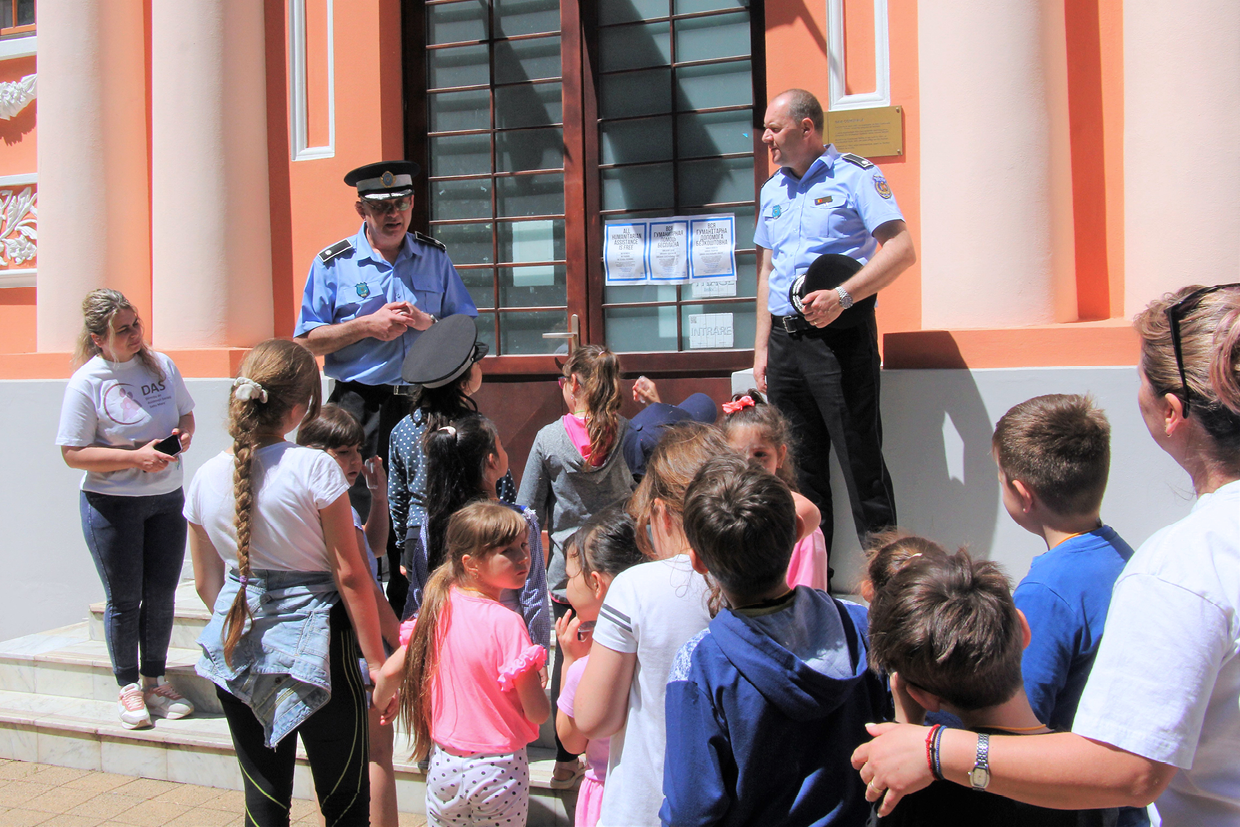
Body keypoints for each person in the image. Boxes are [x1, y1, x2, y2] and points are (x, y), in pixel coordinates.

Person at [853, 284, 1240, 827]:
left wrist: (935, 749)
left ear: (1172, 412)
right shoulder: (1153, 559)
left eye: (1141, 379)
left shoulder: (1183, 565)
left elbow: (1129, 771)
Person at [185, 339, 386, 826]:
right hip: (324, 643)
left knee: (263, 798)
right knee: (343, 797)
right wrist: (378, 660)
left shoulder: (205, 476)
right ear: (299, 408)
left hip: (238, 641)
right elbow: (351, 573)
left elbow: (206, 583)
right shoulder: (314, 467)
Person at [661, 454, 887, 827]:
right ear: (798, 531)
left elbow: (690, 809)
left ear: (698, 561)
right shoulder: (862, 626)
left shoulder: (700, 665)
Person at [295, 159, 478, 614]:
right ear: (362, 210)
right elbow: (307, 340)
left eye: (401, 204)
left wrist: (427, 323)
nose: (392, 214)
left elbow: (466, 329)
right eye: (380, 207)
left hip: (424, 403)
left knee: (424, 505)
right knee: (355, 508)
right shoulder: (333, 263)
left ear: (412, 204)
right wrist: (365, 326)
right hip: (361, 406)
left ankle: (416, 611)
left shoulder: (434, 257)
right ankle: (359, 616)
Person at [753, 88, 916, 554]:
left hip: (839, 341)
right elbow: (767, 270)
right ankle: (812, 583)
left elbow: (902, 249)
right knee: (799, 472)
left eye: (774, 128)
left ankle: (886, 582)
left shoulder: (855, 175)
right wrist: (761, 349)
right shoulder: (772, 189)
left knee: (861, 465)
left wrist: (844, 296)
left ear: (806, 128)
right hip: (785, 343)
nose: (765, 137)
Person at [866, 548, 1116, 826]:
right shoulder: (1093, 779)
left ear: (922, 697)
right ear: (1024, 629)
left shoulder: (922, 792)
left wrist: (907, 726)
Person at [993, 394, 1146, 826]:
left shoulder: (1045, 593)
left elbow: (1020, 721)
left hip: (1071, 808)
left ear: (1022, 494)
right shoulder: (1123, 556)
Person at [575, 422, 732, 827]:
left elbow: (593, 718)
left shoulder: (634, 587)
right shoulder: (752, 576)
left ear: (660, 512)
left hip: (645, 807)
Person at [56, 289, 197, 729]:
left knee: (161, 592)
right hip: (112, 504)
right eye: (123, 330)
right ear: (98, 339)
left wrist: (183, 436)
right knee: (124, 598)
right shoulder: (87, 381)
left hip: (166, 497)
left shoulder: (162, 366)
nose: (135, 334)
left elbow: (186, 414)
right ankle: (128, 686)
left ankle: (155, 680)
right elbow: (73, 453)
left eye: (136, 324)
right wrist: (135, 458)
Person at [374, 501, 551, 827]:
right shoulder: (507, 623)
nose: (523, 557)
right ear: (471, 563)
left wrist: (384, 702)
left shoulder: (436, 609)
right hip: (500, 770)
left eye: (524, 545)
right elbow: (537, 712)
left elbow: (388, 671)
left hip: (445, 765)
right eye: (507, 550)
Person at [517, 343, 635, 786]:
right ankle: (615, 745)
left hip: (568, 576)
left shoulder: (549, 438)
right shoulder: (628, 432)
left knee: (571, 654)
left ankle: (566, 759)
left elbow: (528, 508)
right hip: (621, 568)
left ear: (575, 384)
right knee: (622, 653)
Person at [296, 405, 403, 827]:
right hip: (359, 647)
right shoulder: (329, 505)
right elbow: (366, 586)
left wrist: (379, 499)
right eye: (343, 452)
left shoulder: (329, 504)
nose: (355, 460)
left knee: (347, 758)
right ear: (314, 454)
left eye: (357, 449)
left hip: (341, 647)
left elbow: (372, 550)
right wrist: (399, 641)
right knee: (376, 754)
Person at [388, 314, 515, 618]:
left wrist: (404, 543)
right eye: (477, 364)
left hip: (420, 538)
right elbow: (503, 486)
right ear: (464, 378)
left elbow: (398, 497)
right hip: (474, 534)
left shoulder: (402, 429)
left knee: (428, 616)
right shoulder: (478, 429)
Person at [411, 414, 550, 651]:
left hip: (449, 640)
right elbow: (532, 595)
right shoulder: (519, 520)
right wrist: (539, 651)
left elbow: (418, 591)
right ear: (492, 460)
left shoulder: (434, 520)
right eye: (500, 445)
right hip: (506, 643)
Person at [555, 507, 647, 827]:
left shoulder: (586, 669)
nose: (566, 586)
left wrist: (570, 662)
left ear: (596, 583)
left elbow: (571, 741)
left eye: (570, 577)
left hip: (607, 799)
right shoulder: (651, 653)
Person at [721, 390, 828, 589]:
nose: (749, 464)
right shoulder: (718, 509)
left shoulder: (800, 521)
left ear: (780, 455)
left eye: (760, 454)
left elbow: (807, 596)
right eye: (736, 455)